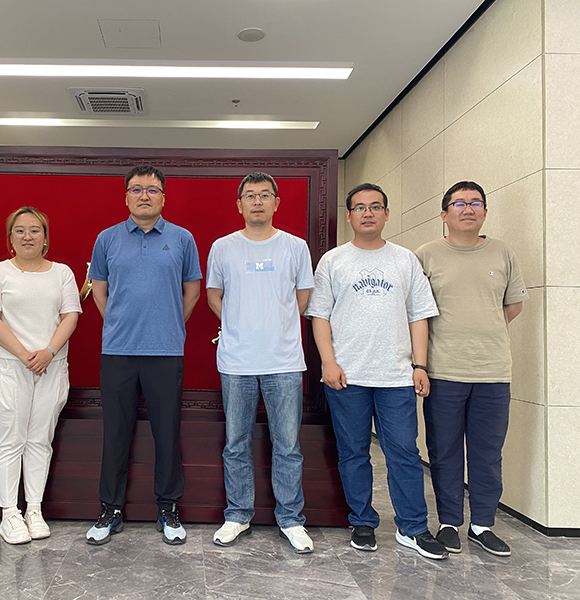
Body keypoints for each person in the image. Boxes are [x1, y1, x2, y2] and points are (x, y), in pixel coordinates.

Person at [307, 183, 448, 560]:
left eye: (374, 207)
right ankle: (363, 522)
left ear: (386, 213)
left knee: (404, 452)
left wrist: (420, 365)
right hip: (346, 377)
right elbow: (319, 316)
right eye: (359, 207)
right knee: (353, 453)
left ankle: (413, 527)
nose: (367, 213)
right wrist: (328, 361)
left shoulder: (405, 260)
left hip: (396, 377)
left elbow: (419, 316)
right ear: (348, 215)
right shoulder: (333, 261)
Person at [85, 164, 202, 546]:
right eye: (136, 189)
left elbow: (192, 291)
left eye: (152, 190)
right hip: (117, 351)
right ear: (126, 197)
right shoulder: (106, 239)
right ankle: (110, 509)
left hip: (165, 351)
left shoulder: (182, 238)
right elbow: (99, 290)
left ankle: (168, 507)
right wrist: (119, 323)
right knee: (115, 433)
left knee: (167, 432)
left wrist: (169, 323)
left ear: (163, 197)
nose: (144, 196)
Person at [415, 181, 527, 557]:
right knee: (444, 451)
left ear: (485, 212)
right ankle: (449, 523)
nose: (468, 208)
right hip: (443, 371)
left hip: (493, 372)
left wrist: (482, 330)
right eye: (459, 203)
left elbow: (513, 305)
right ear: (444, 214)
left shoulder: (502, 252)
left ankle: (482, 525)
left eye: (476, 203)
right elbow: (416, 313)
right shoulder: (426, 255)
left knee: (487, 452)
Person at [206, 172, 315, 553]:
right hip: (236, 361)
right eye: (250, 196)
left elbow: (303, 297)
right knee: (236, 444)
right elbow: (214, 296)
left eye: (264, 195)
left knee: (288, 446)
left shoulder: (295, 247)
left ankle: (291, 519)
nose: (257, 201)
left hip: (284, 360)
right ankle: (238, 514)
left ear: (276, 203)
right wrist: (240, 325)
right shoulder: (223, 247)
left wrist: (277, 326)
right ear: (239, 204)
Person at [0, 207, 81, 545]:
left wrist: (48, 352)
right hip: (10, 366)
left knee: (39, 439)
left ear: (45, 238)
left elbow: (70, 316)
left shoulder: (62, 273)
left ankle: (33, 509)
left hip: (51, 365)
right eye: (19, 230)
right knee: (10, 439)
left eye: (35, 230)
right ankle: (9, 513)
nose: (27, 236)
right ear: (10, 238)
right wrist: (24, 355)